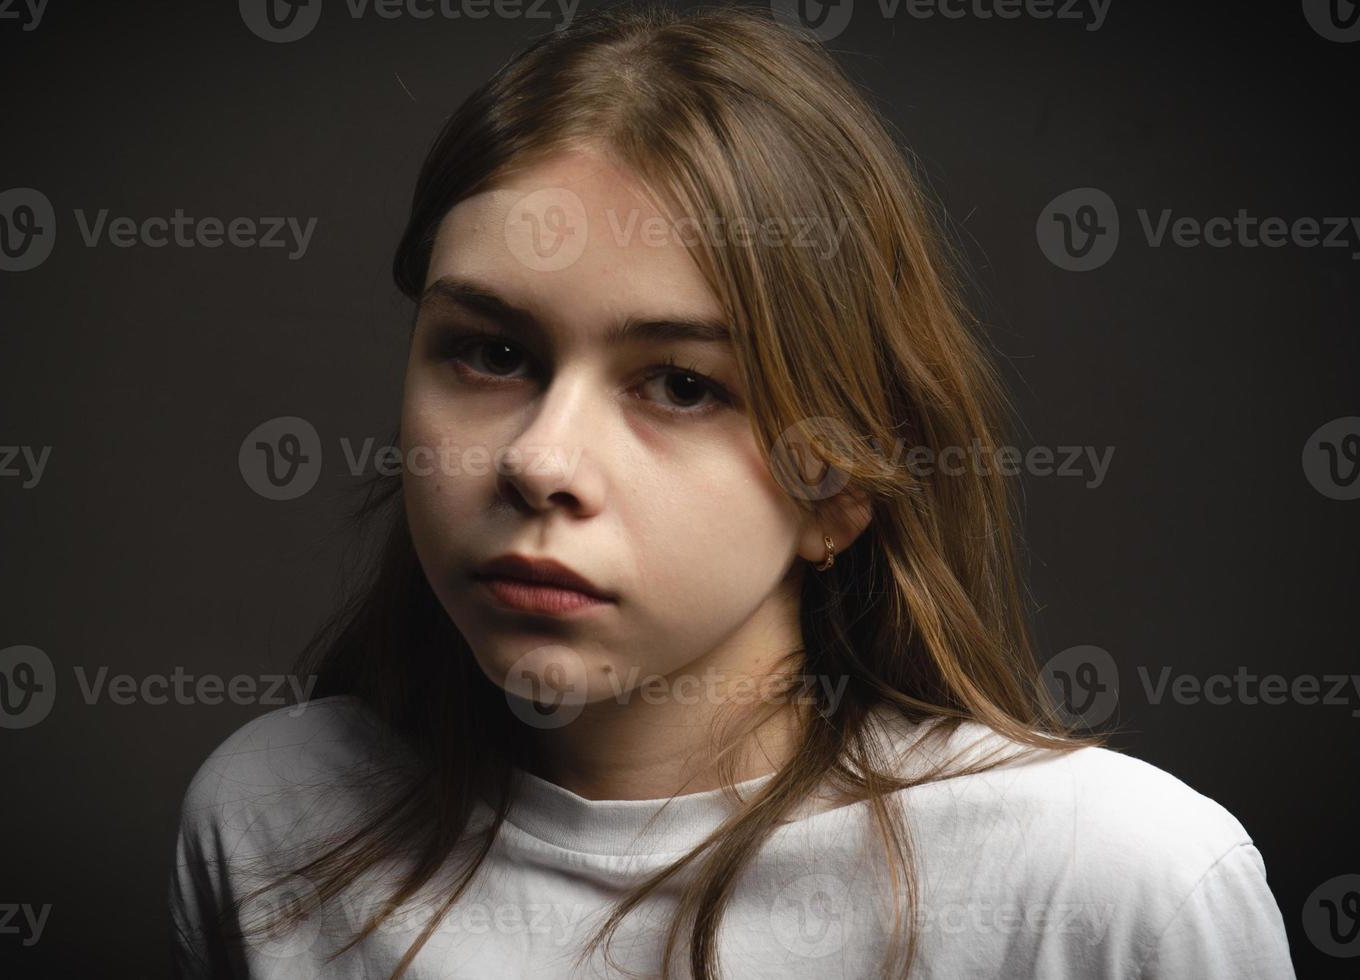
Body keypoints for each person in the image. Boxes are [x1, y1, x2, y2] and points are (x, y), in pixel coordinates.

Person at [170, 5, 1296, 977]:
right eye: (492, 353)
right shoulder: (273, 813)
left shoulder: (1109, 884)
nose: (540, 462)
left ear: (840, 486)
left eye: (680, 383)